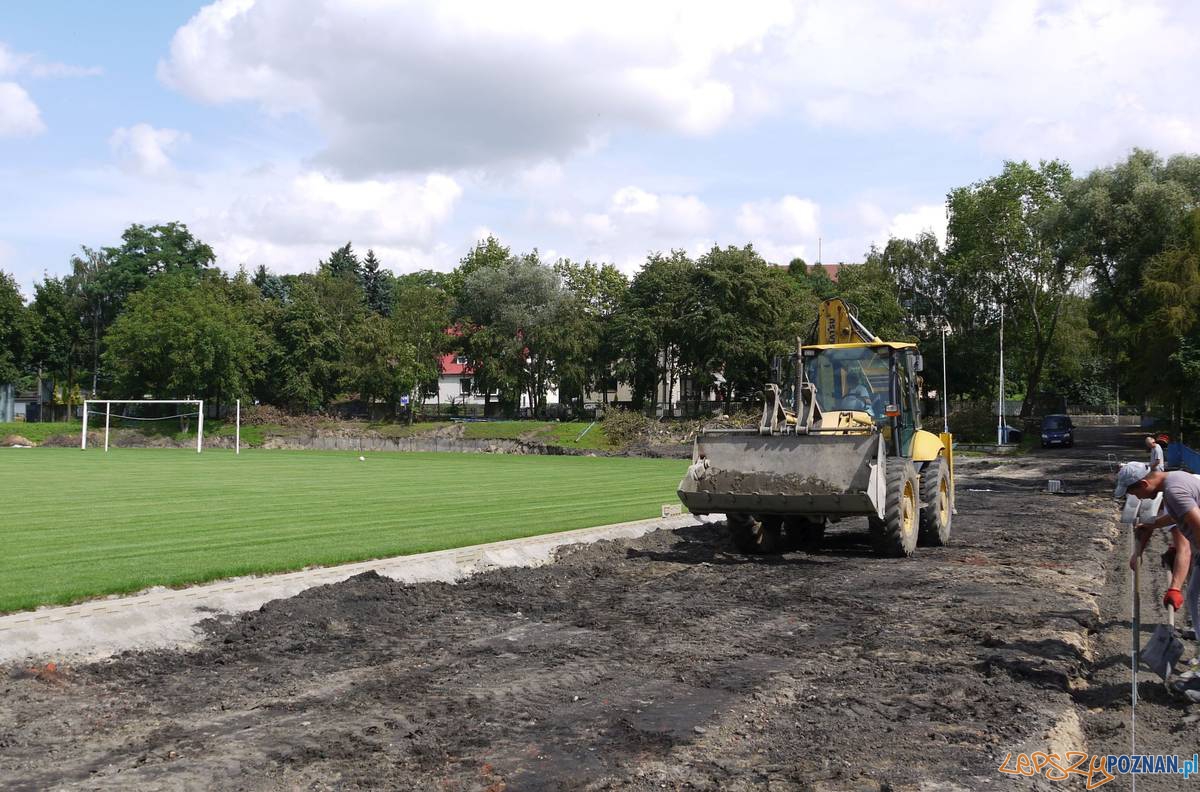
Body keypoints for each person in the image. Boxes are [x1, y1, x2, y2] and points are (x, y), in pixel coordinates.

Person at [1117, 462, 1197, 650]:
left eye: (1135, 493)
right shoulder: (1173, 481)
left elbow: (1187, 546)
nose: (1136, 497)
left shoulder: (1174, 493)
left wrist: (1175, 588)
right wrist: (1152, 526)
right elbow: (1176, 518)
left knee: (1196, 598)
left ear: (1144, 484)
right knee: (1194, 595)